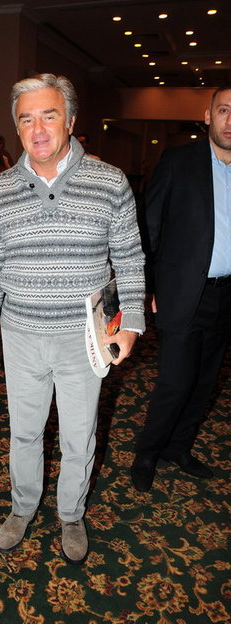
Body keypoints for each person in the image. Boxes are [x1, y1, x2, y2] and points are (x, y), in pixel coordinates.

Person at [0, 73, 145, 564]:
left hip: (82, 339)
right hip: (21, 336)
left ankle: (71, 514)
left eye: (49, 116)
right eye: (26, 119)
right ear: (16, 127)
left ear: (70, 120)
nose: (38, 129)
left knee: (78, 435)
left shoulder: (110, 182)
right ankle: (22, 507)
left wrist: (131, 322)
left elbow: (129, 258)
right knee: (24, 432)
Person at [131, 86, 231, 493]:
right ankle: (147, 453)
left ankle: (179, 447)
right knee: (175, 382)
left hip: (227, 296)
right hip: (182, 292)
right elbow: (149, 227)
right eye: (224, 110)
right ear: (208, 117)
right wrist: (147, 286)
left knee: (205, 381)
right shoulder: (178, 160)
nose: (230, 120)